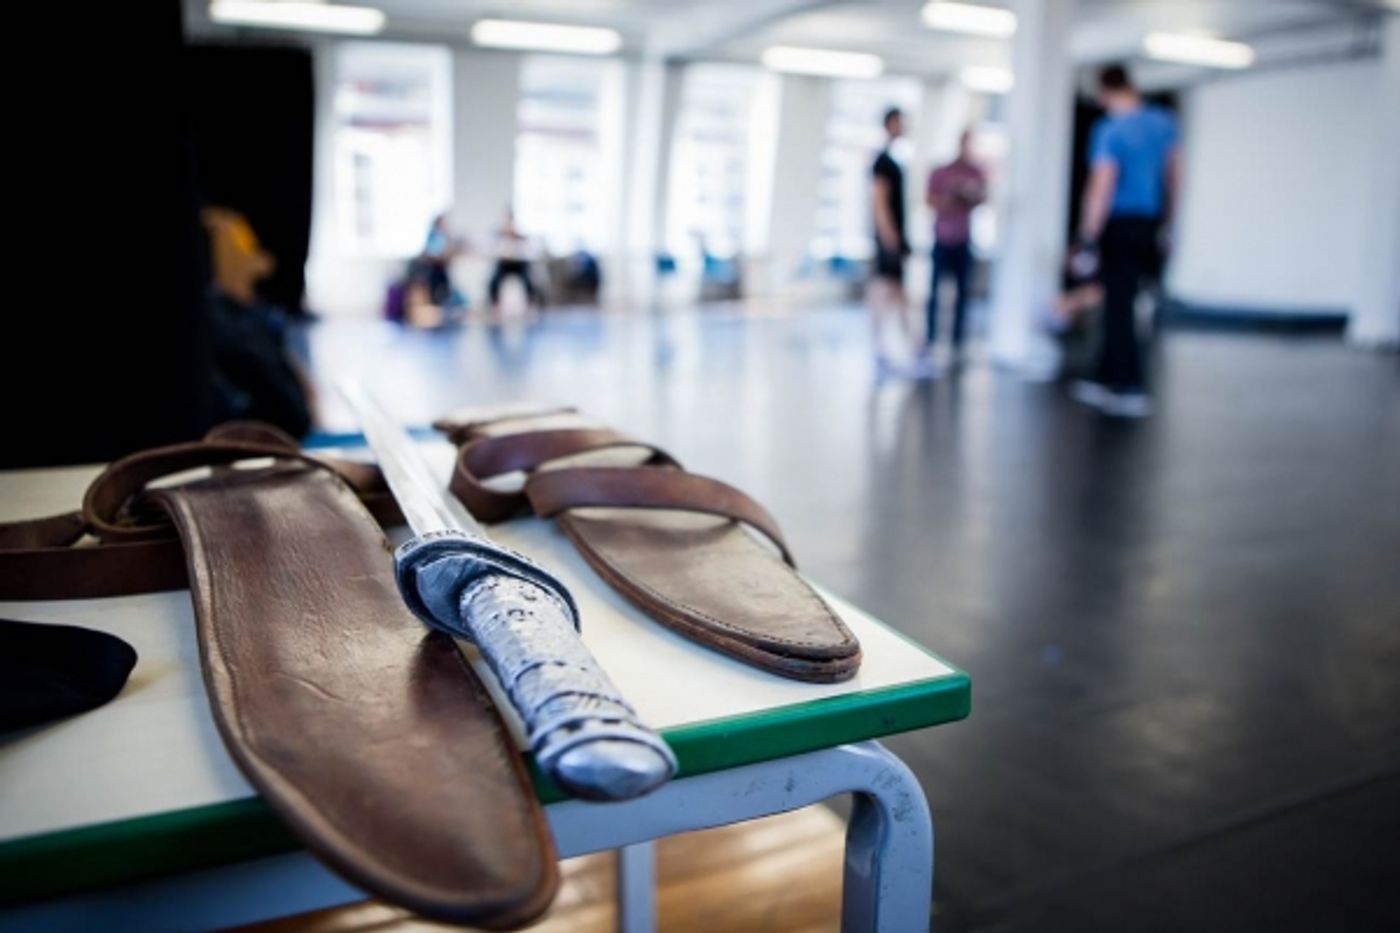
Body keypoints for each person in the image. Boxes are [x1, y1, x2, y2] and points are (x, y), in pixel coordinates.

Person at [1071, 63, 1179, 418]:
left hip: (1118, 223)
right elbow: (1173, 177)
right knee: (1119, 298)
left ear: (1104, 91)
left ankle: (1129, 385)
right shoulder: (1162, 122)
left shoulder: (1109, 129)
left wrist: (1087, 237)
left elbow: (1101, 186)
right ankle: (1104, 377)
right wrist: (1167, 223)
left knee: (1119, 304)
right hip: (1148, 222)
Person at [869, 107, 929, 376]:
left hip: (894, 239)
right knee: (888, 296)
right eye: (899, 123)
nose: (903, 127)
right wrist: (890, 238)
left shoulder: (893, 160)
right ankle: (892, 351)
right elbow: (879, 202)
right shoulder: (882, 162)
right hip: (889, 240)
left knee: (899, 296)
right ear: (889, 125)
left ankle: (914, 349)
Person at [925, 129, 987, 364]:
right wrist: (951, 197)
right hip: (942, 239)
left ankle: (957, 344)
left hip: (964, 240)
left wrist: (970, 195)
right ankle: (931, 341)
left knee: (963, 295)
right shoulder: (941, 172)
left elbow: (984, 198)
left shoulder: (976, 172)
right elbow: (929, 200)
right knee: (935, 294)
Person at [488, 208, 540, 315]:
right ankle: (495, 305)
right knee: (494, 280)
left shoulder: (521, 237)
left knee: (527, 279)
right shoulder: (498, 235)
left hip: (518, 265)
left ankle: (530, 303)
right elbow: (492, 250)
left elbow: (528, 251)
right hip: (504, 265)